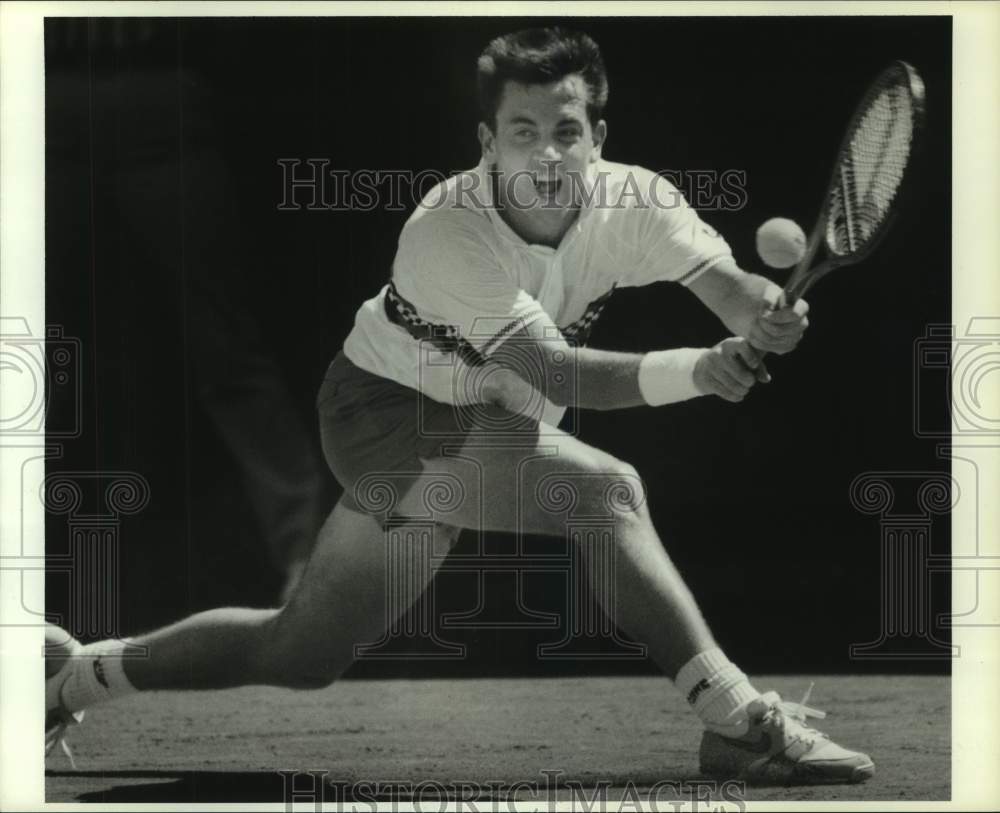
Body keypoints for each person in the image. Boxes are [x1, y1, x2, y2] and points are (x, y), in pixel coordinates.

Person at [46, 27, 874, 785]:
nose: (547, 153)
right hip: (382, 415)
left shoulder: (640, 203)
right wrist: (702, 369)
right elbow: (552, 368)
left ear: (599, 138)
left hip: (489, 420)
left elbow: (734, 293)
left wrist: (769, 313)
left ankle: (76, 674)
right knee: (606, 492)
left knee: (303, 650)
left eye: (567, 131)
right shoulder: (448, 228)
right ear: (488, 142)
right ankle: (735, 720)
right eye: (524, 132)